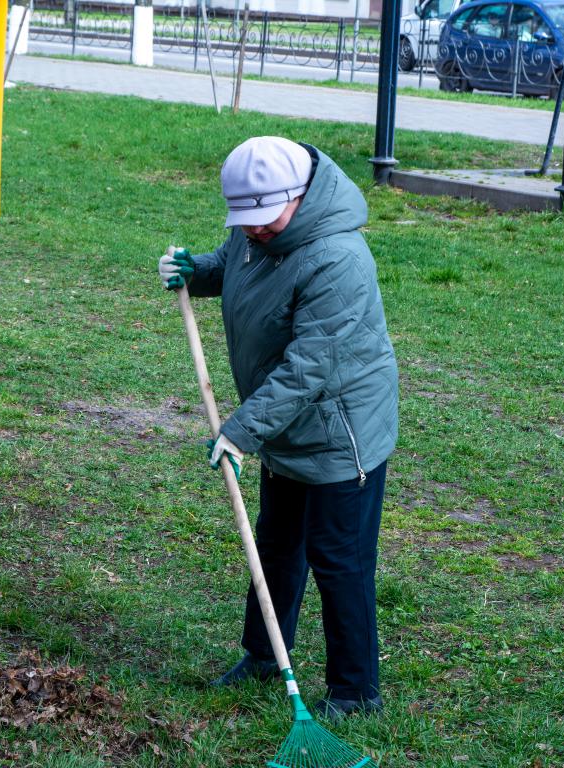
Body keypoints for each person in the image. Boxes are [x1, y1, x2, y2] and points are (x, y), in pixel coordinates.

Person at [157, 136, 399, 720]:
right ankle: (265, 656)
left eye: (266, 218)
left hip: (340, 432)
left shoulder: (338, 259)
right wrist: (197, 270)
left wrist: (241, 431)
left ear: (300, 195)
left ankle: (355, 692)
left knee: (339, 559)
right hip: (285, 425)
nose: (255, 230)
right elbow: (237, 269)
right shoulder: (257, 234)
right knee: (276, 545)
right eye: (246, 221)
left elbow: (308, 368)